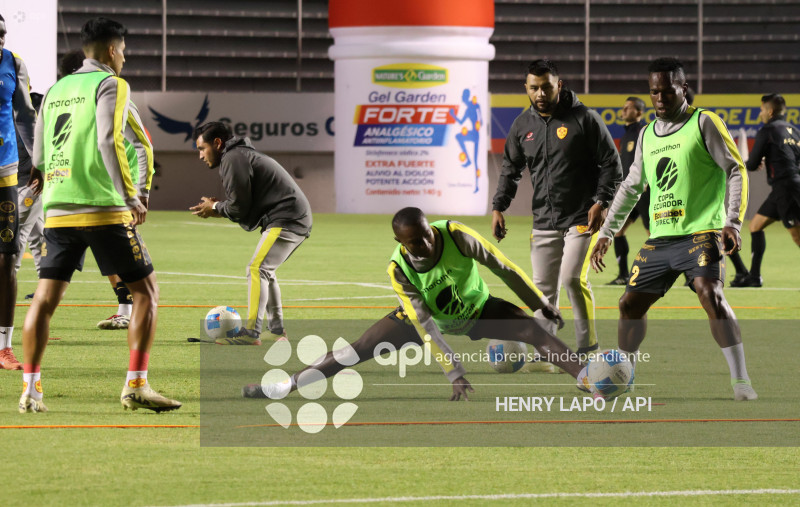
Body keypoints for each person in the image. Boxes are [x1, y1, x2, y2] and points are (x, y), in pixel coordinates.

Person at [243, 207, 590, 401]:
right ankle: (284, 386)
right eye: (415, 242)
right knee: (356, 350)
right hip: (431, 321)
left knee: (532, 329)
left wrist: (540, 303)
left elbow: (505, 268)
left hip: (478, 309)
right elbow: (423, 324)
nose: (425, 244)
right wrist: (453, 371)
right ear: (399, 241)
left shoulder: (456, 235)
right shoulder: (399, 269)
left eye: (427, 235)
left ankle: (587, 378)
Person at [21, 17, 181, 413]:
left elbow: (38, 155)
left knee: (44, 299)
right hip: (103, 207)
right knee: (147, 292)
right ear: (112, 50)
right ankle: (136, 386)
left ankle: (31, 391)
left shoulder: (56, 89)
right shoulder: (111, 84)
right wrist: (130, 195)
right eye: (123, 50)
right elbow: (110, 138)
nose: (124, 58)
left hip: (58, 208)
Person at [590, 57, 757, 401]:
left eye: (667, 91)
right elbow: (631, 186)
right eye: (654, 92)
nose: (660, 99)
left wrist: (733, 221)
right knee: (628, 305)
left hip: (701, 233)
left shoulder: (704, 122)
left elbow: (736, 169)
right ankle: (626, 377)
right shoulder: (648, 134)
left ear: (683, 88)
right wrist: (607, 232)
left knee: (709, 292)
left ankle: (741, 382)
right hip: (661, 238)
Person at [491, 59, 622, 357]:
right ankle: (546, 352)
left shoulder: (585, 118)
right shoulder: (522, 125)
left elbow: (612, 164)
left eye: (546, 87)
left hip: (581, 216)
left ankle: (588, 348)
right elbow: (510, 170)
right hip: (544, 220)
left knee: (573, 279)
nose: (540, 94)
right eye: (534, 88)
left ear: (559, 86)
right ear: (526, 88)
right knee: (542, 290)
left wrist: (601, 202)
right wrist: (499, 207)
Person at [190, 121, 311, 345]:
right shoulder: (239, 155)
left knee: (257, 269)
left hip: (287, 218)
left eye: (201, 148)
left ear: (217, 143)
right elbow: (241, 206)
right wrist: (221, 208)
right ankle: (276, 330)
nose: (200, 156)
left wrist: (216, 208)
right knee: (266, 271)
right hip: (292, 217)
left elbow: (238, 208)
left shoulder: (233, 158)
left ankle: (251, 333)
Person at [728, 93, 800, 287]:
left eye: (761, 110)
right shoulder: (794, 131)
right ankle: (754, 276)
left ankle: (753, 276)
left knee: (797, 236)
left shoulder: (767, 130)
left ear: (769, 111)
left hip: (786, 188)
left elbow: (751, 164)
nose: (760, 114)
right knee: (755, 226)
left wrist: (755, 161)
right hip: (786, 187)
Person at [0, 14, 37, 370]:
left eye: (2, 34)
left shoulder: (14, 63)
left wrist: (36, 156)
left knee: (8, 257)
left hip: (6, 172)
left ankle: (4, 347)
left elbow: (25, 114)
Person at [607, 96, 650, 285]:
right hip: (630, 192)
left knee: (655, 235)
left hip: (646, 191)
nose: (623, 111)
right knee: (618, 231)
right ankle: (623, 275)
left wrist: (648, 181)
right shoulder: (625, 136)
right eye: (623, 108)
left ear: (639, 112)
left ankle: (685, 273)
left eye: (628, 108)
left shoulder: (645, 132)